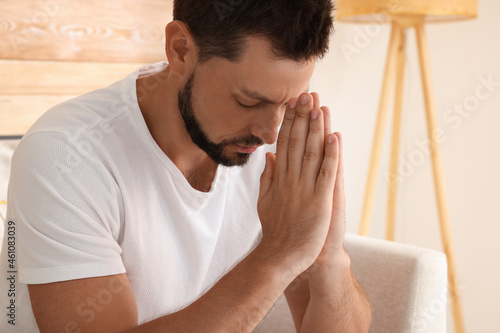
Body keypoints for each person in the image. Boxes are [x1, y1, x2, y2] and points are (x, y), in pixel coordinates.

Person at [1, 0, 371, 332]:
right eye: (248, 101)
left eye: (287, 103)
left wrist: (327, 253)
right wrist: (279, 254)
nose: (270, 134)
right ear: (180, 50)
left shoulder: (273, 153)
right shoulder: (65, 156)